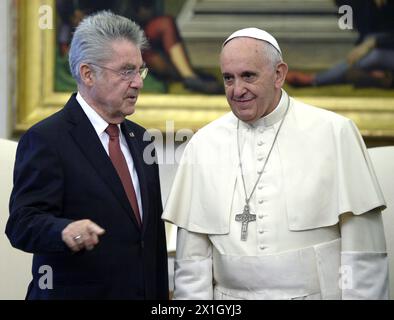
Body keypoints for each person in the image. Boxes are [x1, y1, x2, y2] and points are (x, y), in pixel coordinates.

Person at [162, 27, 389, 300]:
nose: (237, 90)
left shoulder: (335, 132)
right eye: (228, 78)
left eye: (248, 76)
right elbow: (192, 265)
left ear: (279, 74)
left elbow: (363, 255)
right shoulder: (202, 145)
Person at [6, 11, 168, 300]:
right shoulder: (47, 139)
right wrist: (64, 230)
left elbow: (151, 239)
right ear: (88, 73)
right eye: (126, 71)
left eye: (140, 71)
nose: (138, 82)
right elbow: (21, 224)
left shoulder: (142, 139)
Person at [56, 0, 222, 94]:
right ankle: (185, 76)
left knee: (165, 24)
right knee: (152, 58)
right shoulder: (75, 13)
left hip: (133, 31)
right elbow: (70, 36)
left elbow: (140, 12)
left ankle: (189, 76)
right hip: (112, 40)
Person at [286, 0, 394, 89]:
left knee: (376, 56)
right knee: (363, 62)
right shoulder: (368, 5)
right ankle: (380, 78)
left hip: (384, 52)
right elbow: (365, 36)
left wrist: (373, 42)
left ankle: (313, 80)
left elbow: (374, 41)